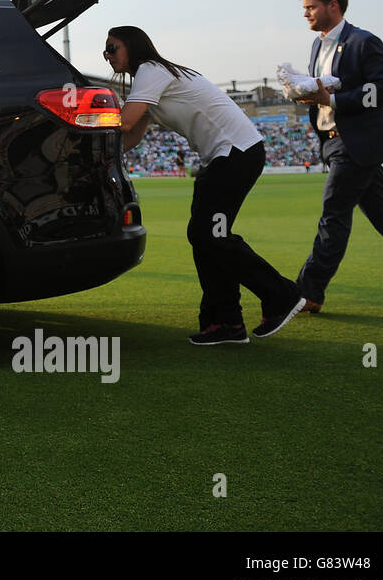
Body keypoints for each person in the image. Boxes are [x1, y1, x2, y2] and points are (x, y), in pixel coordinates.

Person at [107, 26, 305, 343]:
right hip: (223, 158)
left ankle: (280, 295)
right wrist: (100, 155)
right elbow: (133, 136)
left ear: (131, 46)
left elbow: (125, 122)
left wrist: (81, 125)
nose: (107, 56)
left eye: (112, 48)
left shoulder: (150, 70)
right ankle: (225, 322)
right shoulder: (150, 78)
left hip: (235, 154)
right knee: (205, 236)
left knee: (209, 235)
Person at [290, 0, 383, 312]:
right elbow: (323, 95)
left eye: (311, 7)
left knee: (333, 216)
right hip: (334, 142)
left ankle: (308, 293)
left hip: (356, 143)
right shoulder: (317, 46)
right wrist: (303, 94)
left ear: (333, 6)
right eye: (304, 8)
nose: (305, 14)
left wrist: (334, 98)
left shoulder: (363, 41)